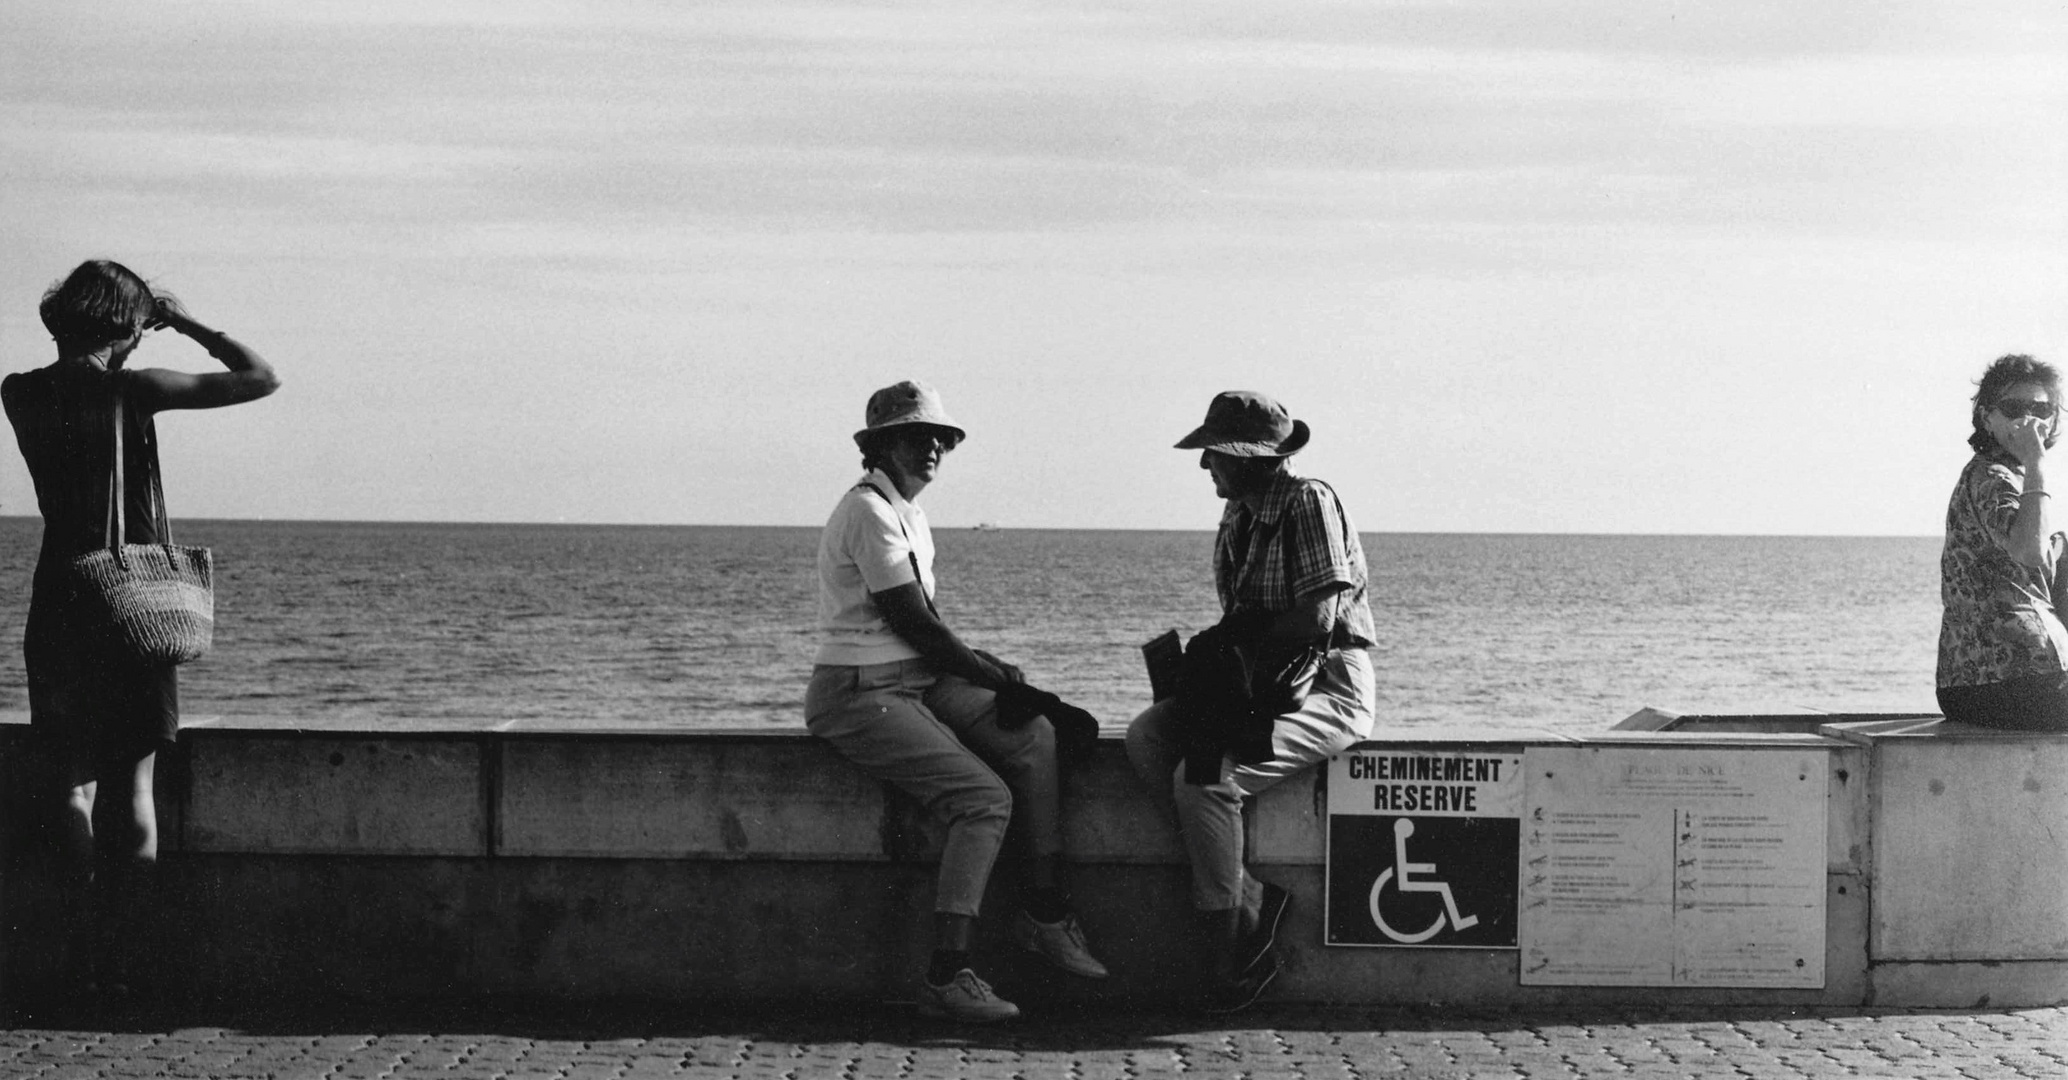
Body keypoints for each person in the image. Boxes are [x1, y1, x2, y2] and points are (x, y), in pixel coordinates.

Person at [4, 260, 281, 1001]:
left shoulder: (20, 392)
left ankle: (75, 954)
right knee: (132, 792)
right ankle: (130, 961)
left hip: (59, 599)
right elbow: (260, 377)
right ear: (128, 324)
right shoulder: (137, 390)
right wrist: (185, 322)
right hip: (129, 607)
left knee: (70, 787)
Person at [803, 380, 1107, 1022]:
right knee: (983, 798)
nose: (935, 447)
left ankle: (1045, 913)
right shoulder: (867, 511)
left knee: (1035, 737)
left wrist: (1003, 675)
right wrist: (1004, 682)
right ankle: (948, 975)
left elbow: (928, 630)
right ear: (882, 446)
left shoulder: (908, 512)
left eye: (942, 437)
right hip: (859, 692)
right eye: (919, 436)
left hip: (912, 680)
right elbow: (917, 626)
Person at [1126, 390, 1377, 1014]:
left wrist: (1227, 643)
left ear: (1248, 458)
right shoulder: (1239, 515)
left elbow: (1318, 618)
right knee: (1146, 738)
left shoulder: (1307, 500)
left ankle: (1227, 952)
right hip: (1264, 681)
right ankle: (1247, 894)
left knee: (1205, 781)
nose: (1204, 465)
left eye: (1213, 453)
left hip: (1325, 682)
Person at [1936, 353, 2068, 731]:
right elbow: (2028, 551)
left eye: (2041, 409)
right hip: (2005, 680)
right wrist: (2037, 463)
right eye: (2014, 408)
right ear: (1987, 417)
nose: (2028, 420)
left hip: (2011, 678)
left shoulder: (2009, 477)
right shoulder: (1991, 477)